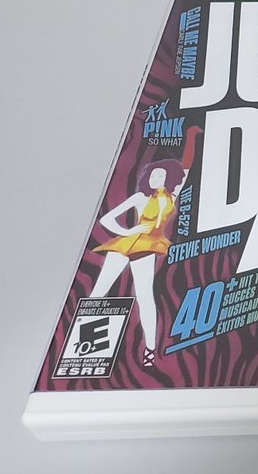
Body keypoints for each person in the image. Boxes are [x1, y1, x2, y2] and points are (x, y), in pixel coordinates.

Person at [89, 156, 190, 369]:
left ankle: (150, 349)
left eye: (160, 175)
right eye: (152, 175)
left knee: (145, 298)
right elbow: (106, 219)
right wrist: (129, 231)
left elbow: (186, 170)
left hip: (147, 247)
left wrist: (191, 141)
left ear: (168, 178)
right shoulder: (140, 197)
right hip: (124, 246)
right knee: (98, 293)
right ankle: (81, 340)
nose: (155, 178)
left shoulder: (171, 197)